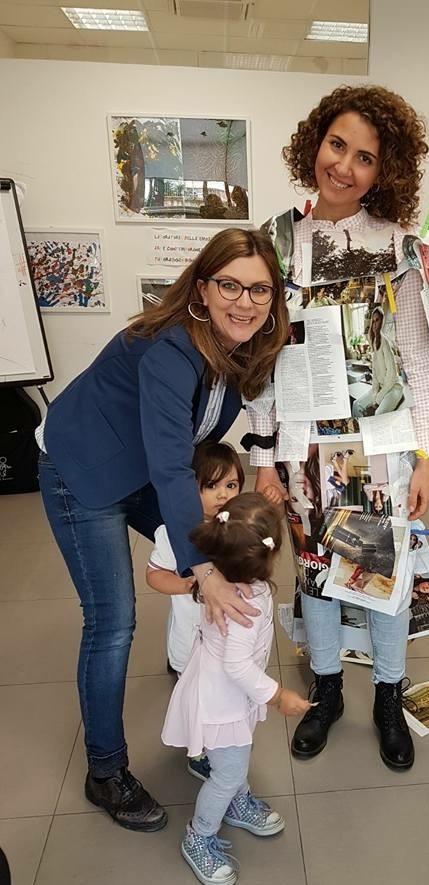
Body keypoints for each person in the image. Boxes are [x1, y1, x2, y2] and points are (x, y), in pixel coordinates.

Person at [37, 228, 288, 831]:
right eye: (230, 285)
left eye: (259, 289)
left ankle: (205, 719)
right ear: (201, 288)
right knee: (113, 621)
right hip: (84, 470)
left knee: (222, 560)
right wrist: (199, 567)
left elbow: (203, 443)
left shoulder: (242, 345)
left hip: (143, 466)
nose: (245, 301)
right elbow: (175, 467)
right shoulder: (169, 349)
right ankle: (105, 771)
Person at [258, 84, 429, 771]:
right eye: (337, 145)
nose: (344, 166)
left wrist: (426, 455)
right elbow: (261, 359)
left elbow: (418, 356)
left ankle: (388, 695)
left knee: (380, 574)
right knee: (315, 571)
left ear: (383, 171)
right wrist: (264, 458)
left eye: (365, 157)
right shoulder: (277, 242)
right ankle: (328, 689)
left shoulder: (398, 247)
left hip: (378, 445)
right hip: (303, 444)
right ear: (315, 143)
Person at [162, 494, 311, 885]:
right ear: (269, 555)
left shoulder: (218, 582)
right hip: (222, 702)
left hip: (226, 694)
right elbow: (237, 666)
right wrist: (278, 695)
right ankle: (199, 835)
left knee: (234, 760)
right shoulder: (248, 604)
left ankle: (236, 800)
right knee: (226, 774)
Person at [146, 440, 244, 783]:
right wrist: (188, 585)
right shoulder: (173, 533)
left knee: (223, 692)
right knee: (194, 698)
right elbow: (154, 575)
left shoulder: (240, 527)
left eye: (231, 485)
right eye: (211, 486)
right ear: (191, 488)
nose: (222, 495)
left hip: (228, 639)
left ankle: (221, 737)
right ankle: (197, 752)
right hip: (191, 640)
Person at [351, 306, 404, 418]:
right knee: (356, 405)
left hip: (394, 387)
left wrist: (378, 398)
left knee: (378, 414)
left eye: (377, 320)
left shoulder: (385, 342)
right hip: (381, 387)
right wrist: (375, 392)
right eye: (373, 321)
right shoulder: (374, 342)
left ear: (382, 321)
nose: (374, 324)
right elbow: (375, 374)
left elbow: (391, 374)